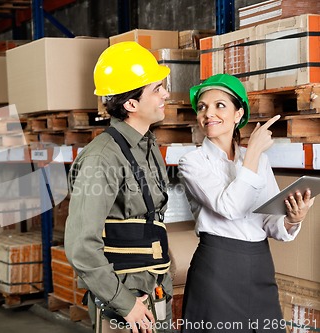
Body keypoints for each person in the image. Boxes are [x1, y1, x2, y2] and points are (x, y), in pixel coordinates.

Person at [178, 73, 315, 333]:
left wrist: (291, 219)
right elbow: (230, 208)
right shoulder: (192, 163)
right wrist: (252, 152)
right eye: (203, 107)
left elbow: (266, 219)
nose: (209, 113)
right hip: (217, 268)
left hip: (260, 266)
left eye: (220, 105)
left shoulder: (258, 162)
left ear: (238, 114)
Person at [64, 41, 173, 333]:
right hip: (127, 301)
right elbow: (81, 246)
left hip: (153, 288)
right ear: (131, 104)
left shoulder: (147, 145)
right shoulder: (103, 158)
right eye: (156, 89)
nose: (166, 94)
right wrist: (124, 302)